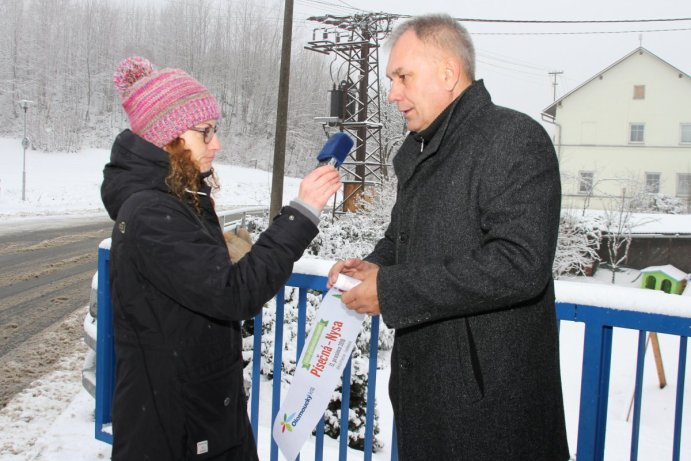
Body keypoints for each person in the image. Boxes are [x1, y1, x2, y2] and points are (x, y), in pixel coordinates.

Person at [328, 14, 569, 460]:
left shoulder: (514, 138)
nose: (392, 93)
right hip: (427, 398)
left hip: (490, 413)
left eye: (403, 76)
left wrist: (392, 288)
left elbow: (520, 265)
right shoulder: (421, 149)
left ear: (447, 72)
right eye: (391, 79)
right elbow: (402, 236)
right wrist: (376, 265)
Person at [102, 56, 340, 460]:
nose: (217, 143)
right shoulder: (152, 213)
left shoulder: (175, 198)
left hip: (196, 411)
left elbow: (196, 280)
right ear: (168, 136)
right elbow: (231, 295)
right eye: (205, 132)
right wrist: (302, 213)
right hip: (177, 426)